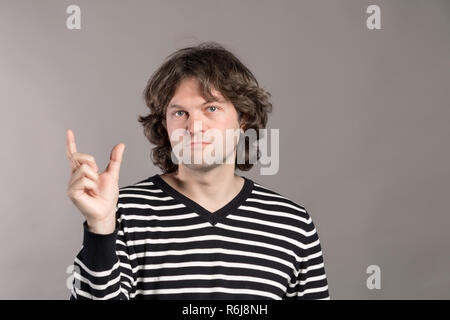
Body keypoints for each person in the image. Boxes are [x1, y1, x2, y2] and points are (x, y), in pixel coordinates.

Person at [66, 42, 330, 300]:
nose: (194, 127)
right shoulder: (121, 212)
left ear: (243, 118)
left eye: (211, 108)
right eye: (180, 113)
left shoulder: (292, 223)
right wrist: (100, 227)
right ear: (165, 125)